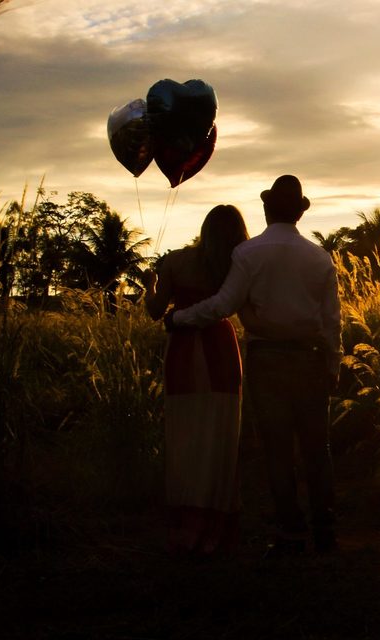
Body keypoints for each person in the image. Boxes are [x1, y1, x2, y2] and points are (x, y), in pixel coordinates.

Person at [169, 175, 343, 555]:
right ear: (299, 213)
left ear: (266, 209)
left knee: (277, 448)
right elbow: (331, 321)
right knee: (317, 448)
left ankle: (290, 533)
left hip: (267, 360)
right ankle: (325, 531)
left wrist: (178, 319)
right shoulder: (319, 257)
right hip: (310, 359)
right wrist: (333, 364)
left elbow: (222, 305)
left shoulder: (247, 255)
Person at [143, 204, 249, 555]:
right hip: (220, 349)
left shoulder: (175, 260)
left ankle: (185, 522)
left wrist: (150, 284)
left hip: (184, 351)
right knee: (220, 434)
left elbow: (156, 311)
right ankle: (217, 522)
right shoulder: (237, 265)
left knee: (185, 433)